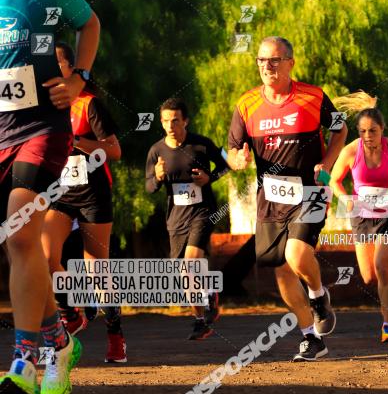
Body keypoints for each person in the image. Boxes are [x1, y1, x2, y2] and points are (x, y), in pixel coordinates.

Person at [0, 0, 100, 394]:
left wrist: (79, 79)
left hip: (42, 126)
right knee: (17, 244)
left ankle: (25, 359)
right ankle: (58, 339)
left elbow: (90, 23)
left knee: (19, 233)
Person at [227, 36, 347, 362]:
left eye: (275, 60)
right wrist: (237, 160)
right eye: (262, 60)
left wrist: (330, 160)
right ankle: (311, 338)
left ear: (291, 63)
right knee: (280, 271)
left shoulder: (313, 96)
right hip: (270, 198)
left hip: (310, 190)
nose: (268, 66)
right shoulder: (246, 104)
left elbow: (340, 129)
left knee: (296, 254)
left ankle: (318, 294)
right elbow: (234, 149)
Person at [41, 42, 126, 363]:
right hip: (60, 195)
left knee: (97, 271)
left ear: (71, 67)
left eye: (57, 62)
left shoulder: (89, 105)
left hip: (93, 193)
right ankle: (71, 313)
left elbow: (114, 151)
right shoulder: (43, 106)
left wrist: (75, 141)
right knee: (47, 256)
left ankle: (115, 336)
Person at [330, 92, 388, 343]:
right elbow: (333, 180)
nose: (368, 137)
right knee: (370, 277)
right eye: (362, 132)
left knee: (383, 267)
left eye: (373, 131)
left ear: (382, 129)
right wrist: (344, 197)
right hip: (361, 215)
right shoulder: (350, 152)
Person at [145, 98, 229, 340]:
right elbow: (149, 187)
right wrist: (158, 177)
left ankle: (207, 300)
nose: (170, 125)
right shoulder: (156, 151)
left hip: (203, 211)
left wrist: (209, 177)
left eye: (175, 120)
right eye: (165, 121)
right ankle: (201, 319)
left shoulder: (201, 145)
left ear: (186, 121)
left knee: (191, 264)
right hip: (176, 219)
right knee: (184, 274)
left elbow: (226, 165)